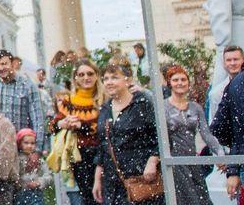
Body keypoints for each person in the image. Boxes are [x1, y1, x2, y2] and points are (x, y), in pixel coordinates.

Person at [92, 60, 162, 205]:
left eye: (114, 77)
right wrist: (97, 179)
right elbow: (102, 147)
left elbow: (162, 137)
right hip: (113, 182)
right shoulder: (104, 110)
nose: (109, 82)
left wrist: (153, 160)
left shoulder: (142, 105)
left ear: (128, 80)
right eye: (105, 78)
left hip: (141, 178)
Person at [162, 64, 222, 205]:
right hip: (174, 162)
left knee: (203, 199)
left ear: (188, 83)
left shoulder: (196, 107)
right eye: (175, 80)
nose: (180, 83)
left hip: (192, 161)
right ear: (169, 83)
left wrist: (220, 152)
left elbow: (206, 134)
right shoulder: (163, 107)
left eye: (183, 79)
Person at [50, 59, 104, 205]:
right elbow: (52, 126)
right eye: (81, 74)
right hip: (78, 156)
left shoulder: (104, 99)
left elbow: (103, 126)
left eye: (90, 73)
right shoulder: (68, 101)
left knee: (104, 196)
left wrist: (81, 125)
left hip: (102, 154)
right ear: (75, 78)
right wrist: (63, 123)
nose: (86, 78)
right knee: (88, 197)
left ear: (97, 75)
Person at [0, 50, 44, 146]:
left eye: (4, 64)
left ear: (13, 64)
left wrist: (38, 148)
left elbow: (37, 119)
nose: (1, 68)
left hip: (22, 146)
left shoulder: (28, 86)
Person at [15, 129, 51, 205]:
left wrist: (39, 182)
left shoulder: (38, 160)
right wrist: (19, 183)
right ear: (20, 143)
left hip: (36, 193)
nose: (29, 146)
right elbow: (14, 175)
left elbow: (48, 175)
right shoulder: (16, 159)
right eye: (26, 143)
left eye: (32, 143)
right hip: (20, 193)